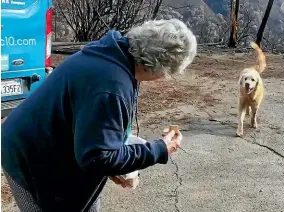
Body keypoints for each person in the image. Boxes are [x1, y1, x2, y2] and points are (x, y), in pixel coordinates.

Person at [1, 18, 197, 212]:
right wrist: (159, 149)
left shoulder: (114, 52)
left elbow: (98, 140)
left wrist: (117, 164)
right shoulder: (110, 86)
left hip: (60, 144)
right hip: (29, 153)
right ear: (161, 68)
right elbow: (100, 157)